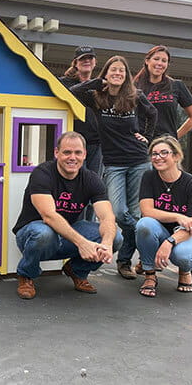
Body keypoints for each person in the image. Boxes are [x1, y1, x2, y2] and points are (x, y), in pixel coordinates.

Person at [70, 56, 157, 280]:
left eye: (121, 71)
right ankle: (142, 235)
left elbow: (153, 114)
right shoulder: (98, 97)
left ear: (126, 75)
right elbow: (74, 92)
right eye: (112, 70)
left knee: (135, 211)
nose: (117, 73)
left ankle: (124, 261)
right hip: (114, 163)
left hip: (138, 160)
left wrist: (146, 136)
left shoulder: (135, 96)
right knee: (119, 213)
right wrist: (96, 83)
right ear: (106, 73)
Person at [13, 131, 122, 299]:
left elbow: (107, 216)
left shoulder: (91, 179)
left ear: (85, 154)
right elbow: (48, 216)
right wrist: (82, 243)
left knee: (116, 237)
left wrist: (107, 243)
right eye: (67, 152)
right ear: (57, 153)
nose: (73, 157)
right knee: (44, 233)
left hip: (67, 234)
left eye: (78, 152)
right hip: (33, 235)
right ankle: (27, 275)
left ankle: (77, 270)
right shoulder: (42, 173)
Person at [133, 45, 192, 280]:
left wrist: (174, 137)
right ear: (147, 61)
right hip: (143, 152)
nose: (160, 63)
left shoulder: (176, 86)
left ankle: (190, 261)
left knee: (181, 202)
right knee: (146, 211)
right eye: (156, 59)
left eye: (164, 60)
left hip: (167, 151)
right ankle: (145, 260)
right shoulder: (136, 87)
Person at [135, 135, 192, 296]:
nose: (158, 157)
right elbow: (147, 211)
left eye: (164, 153)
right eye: (154, 154)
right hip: (160, 231)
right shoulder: (149, 177)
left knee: (183, 255)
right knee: (144, 224)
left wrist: (169, 242)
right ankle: (149, 274)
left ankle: (185, 270)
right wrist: (177, 216)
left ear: (176, 156)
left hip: (190, 236)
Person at [60, 46, 102, 221]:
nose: (87, 61)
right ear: (75, 63)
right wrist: (89, 85)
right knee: (75, 188)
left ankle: (90, 229)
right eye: (83, 58)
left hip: (96, 145)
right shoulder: (64, 82)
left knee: (94, 188)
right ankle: (73, 229)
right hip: (72, 146)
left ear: (95, 62)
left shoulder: (100, 87)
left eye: (90, 58)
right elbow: (66, 95)